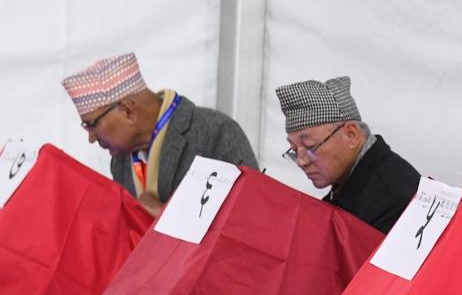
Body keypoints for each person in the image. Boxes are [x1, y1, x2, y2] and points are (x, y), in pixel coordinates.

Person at [62, 52, 258, 216]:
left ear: (128, 111)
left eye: (91, 125)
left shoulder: (215, 131)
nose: (91, 138)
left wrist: (164, 214)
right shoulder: (121, 161)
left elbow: (250, 215)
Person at [276, 76, 420, 233]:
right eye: (295, 150)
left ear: (351, 135)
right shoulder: (350, 184)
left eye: (310, 146)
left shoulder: (395, 200)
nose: (301, 161)